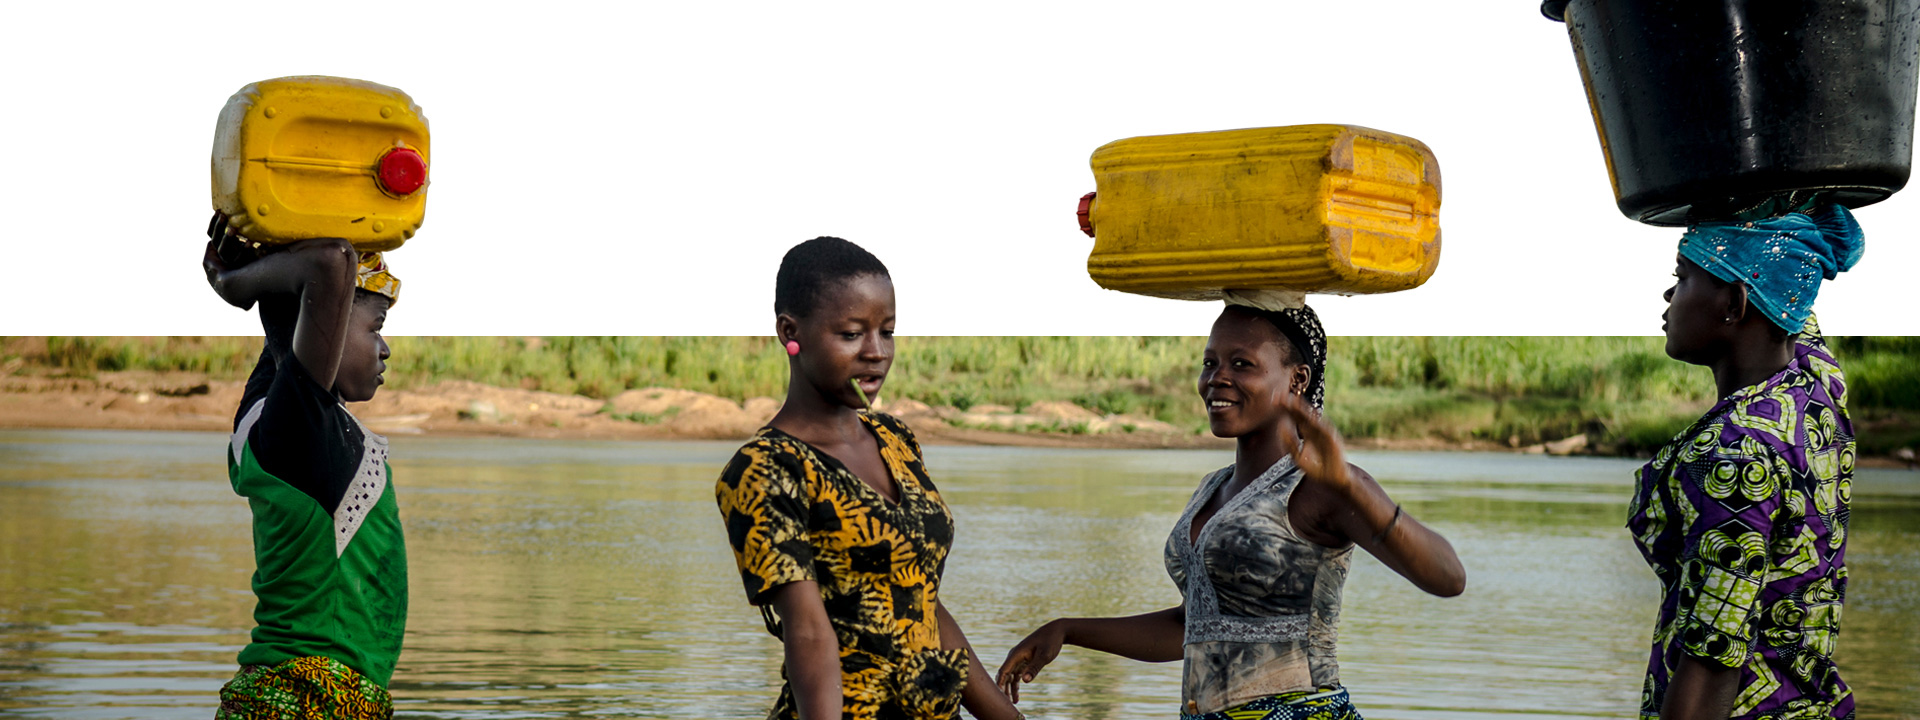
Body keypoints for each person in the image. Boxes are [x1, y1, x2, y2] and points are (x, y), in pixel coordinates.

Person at [995, 302, 1466, 720]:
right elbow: (1192, 626)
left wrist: (1354, 486)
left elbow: (1448, 578)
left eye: (1242, 364)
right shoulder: (1212, 488)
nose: (1217, 378)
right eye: (1210, 362)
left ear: (1296, 379)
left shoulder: (1323, 487)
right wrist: (1067, 630)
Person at [714, 237, 1021, 720]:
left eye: (888, 332)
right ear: (790, 331)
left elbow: (925, 604)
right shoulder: (767, 468)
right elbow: (809, 633)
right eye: (852, 334)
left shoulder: (895, 438)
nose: (876, 353)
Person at [1633, 205, 1863, 720]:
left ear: (1734, 304)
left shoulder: (1736, 456)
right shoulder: (1816, 386)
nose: (1669, 297)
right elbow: (1789, 294)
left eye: (1683, 277)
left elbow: (1713, 659)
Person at [201, 213, 407, 719]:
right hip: (310, 698)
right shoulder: (302, 431)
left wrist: (263, 276)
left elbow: (289, 328)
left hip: (298, 695)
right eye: (374, 326)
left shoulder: (269, 414)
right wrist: (234, 283)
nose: (385, 348)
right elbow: (333, 262)